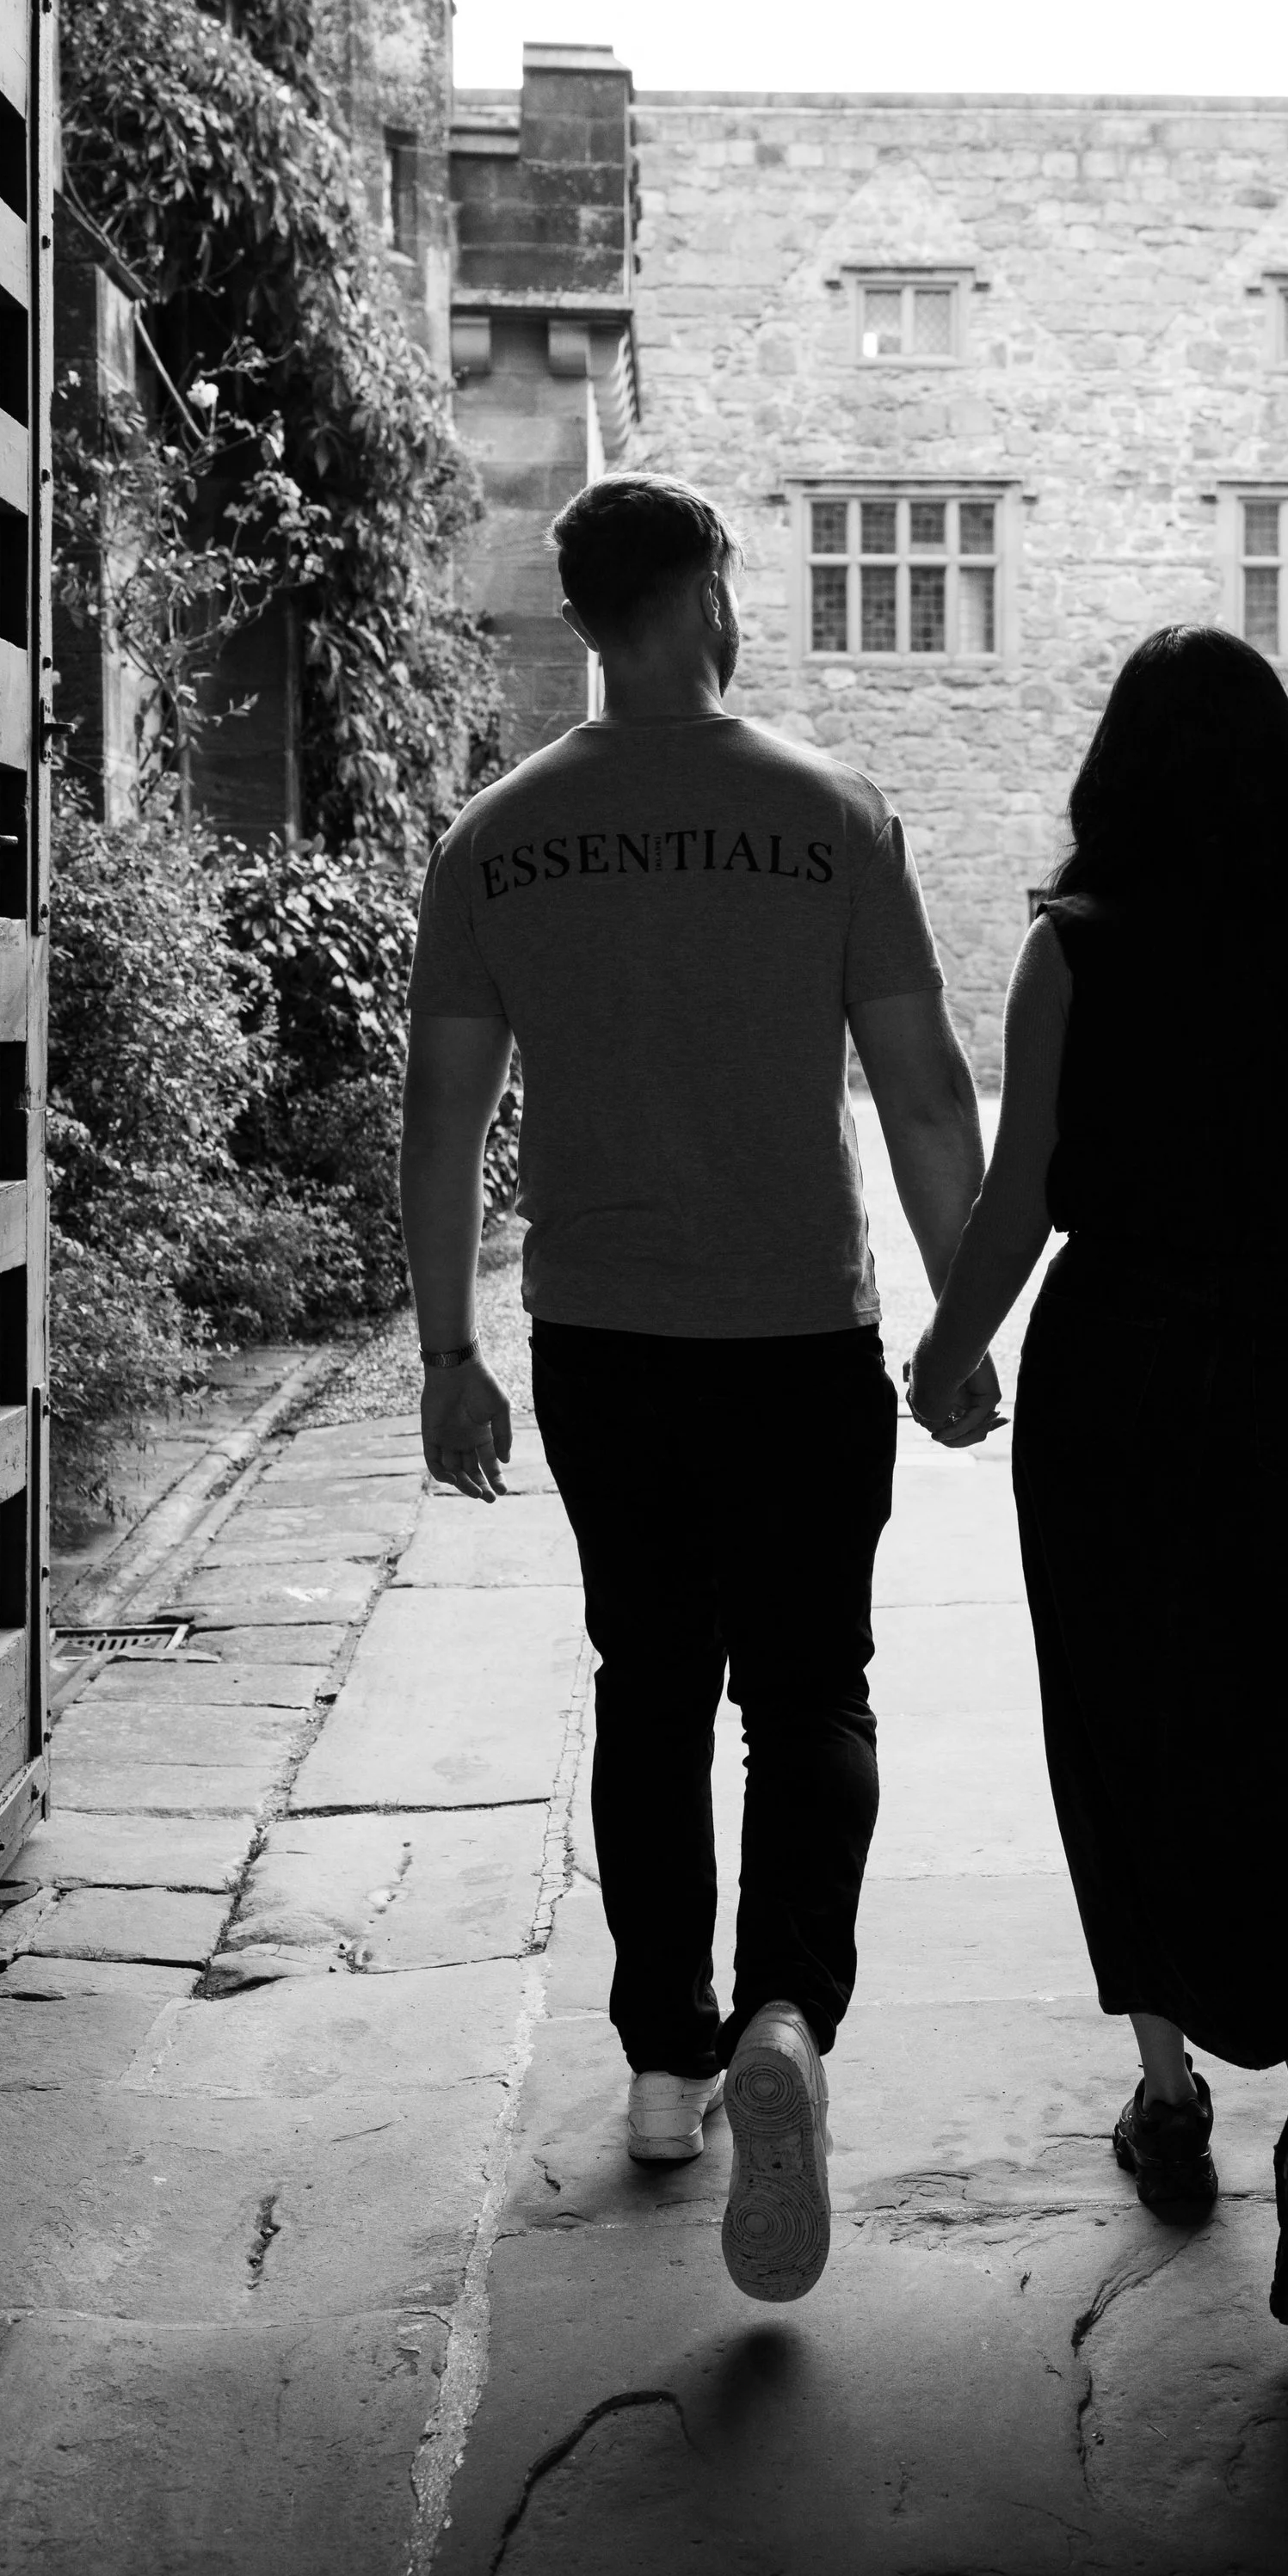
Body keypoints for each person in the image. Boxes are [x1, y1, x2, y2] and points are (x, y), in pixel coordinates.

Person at [399, 473, 998, 2307]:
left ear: (583, 615)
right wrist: (963, 1324)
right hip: (797, 1336)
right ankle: (787, 2022)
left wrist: (446, 1349)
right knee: (809, 1691)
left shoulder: (498, 835)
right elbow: (916, 1097)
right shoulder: (827, 815)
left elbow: (442, 1116)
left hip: (604, 1340)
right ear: (714, 592)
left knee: (648, 1689)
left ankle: (664, 2060)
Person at [903, 626, 1288, 2327]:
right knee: (1273, 1755)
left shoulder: (1071, 949)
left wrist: (946, 1347)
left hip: (1115, 1371)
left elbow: (1016, 1198)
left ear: (1114, 776)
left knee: (1120, 1735)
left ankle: (1163, 2093)